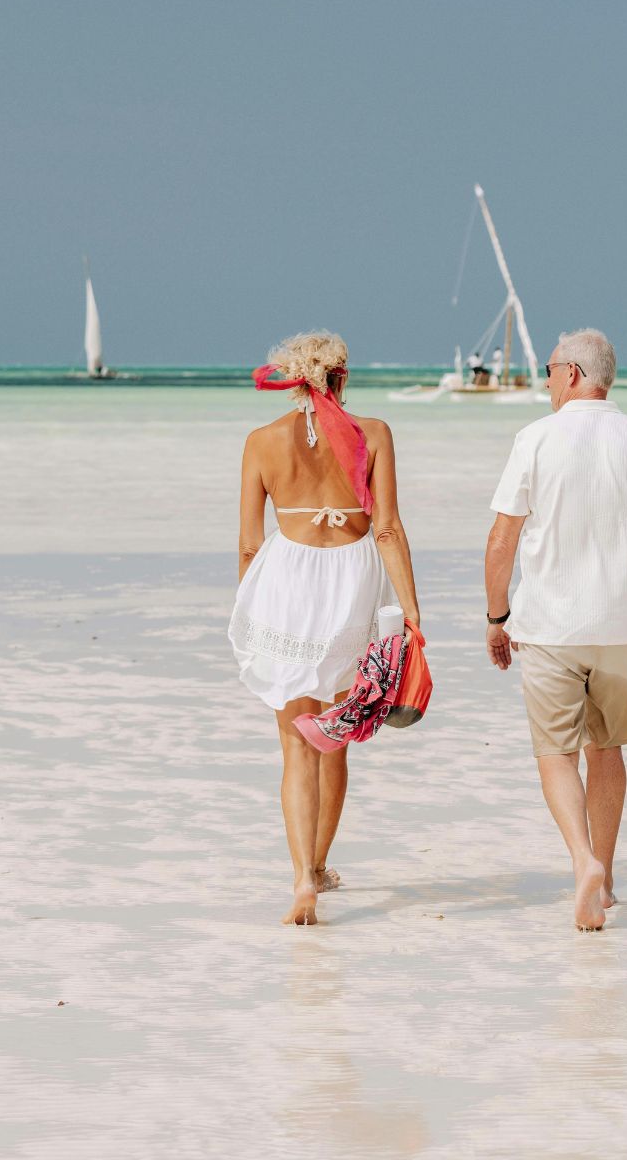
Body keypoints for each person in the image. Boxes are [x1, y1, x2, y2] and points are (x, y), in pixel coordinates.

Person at [483, 328, 627, 931]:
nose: (548, 380)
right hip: (618, 625)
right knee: (606, 749)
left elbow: (503, 538)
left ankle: (582, 861)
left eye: (554, 369)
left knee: (556, 752)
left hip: (550, 627)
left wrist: (496, 617)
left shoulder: (534, 439)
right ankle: (605, 879)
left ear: (575, 374)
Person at [230, 332, 420, 926]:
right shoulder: (376, 434)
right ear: (342, 376)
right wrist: (412, 612)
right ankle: (318, 866)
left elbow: (248, 543)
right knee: (331, 733)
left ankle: (300, 882)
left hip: (286, 584)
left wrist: (252, 604)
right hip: (350, 585)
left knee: (292, 743)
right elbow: (386, 528)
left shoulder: (261, 443)